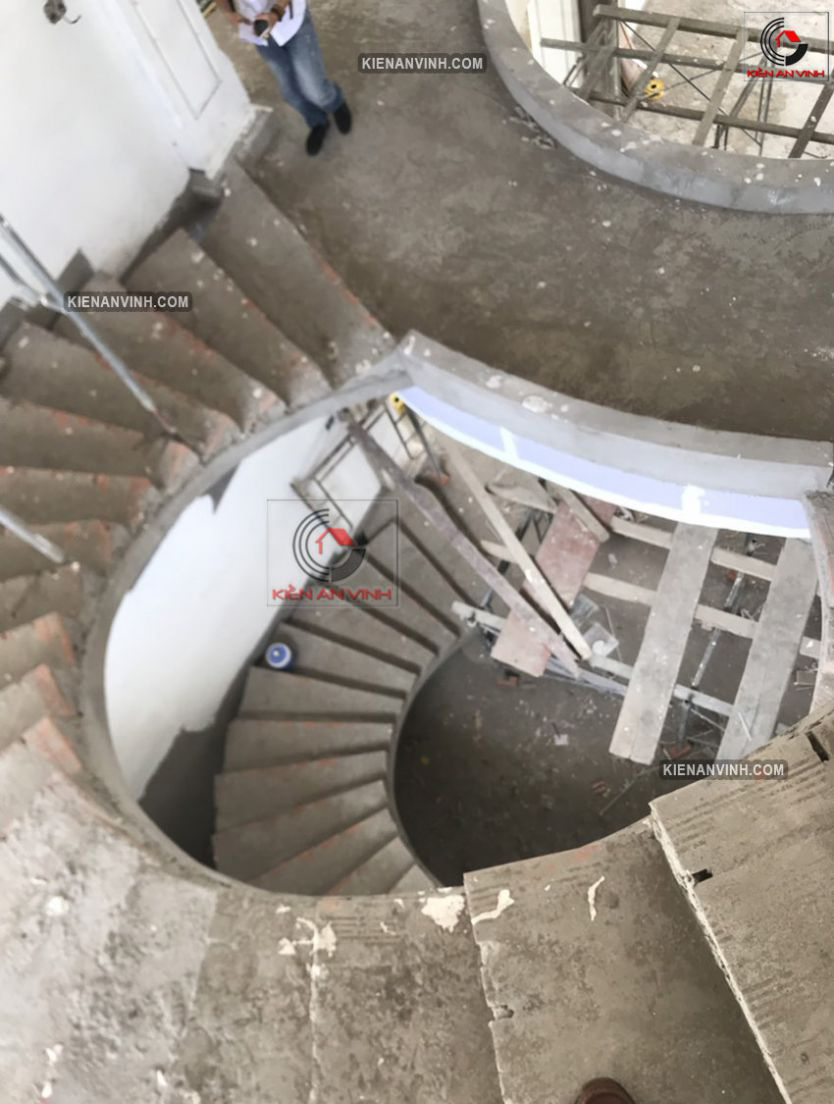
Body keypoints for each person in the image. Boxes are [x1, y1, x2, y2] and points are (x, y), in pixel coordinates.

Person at [225, 0, 351, 156]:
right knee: (291, 93)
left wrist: (276, 13)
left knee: (314, 88)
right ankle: (317, 120)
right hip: (258, 29)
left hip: (291, 20)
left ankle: (335, 103)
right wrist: (228, 13)